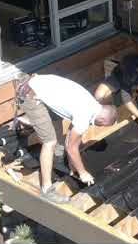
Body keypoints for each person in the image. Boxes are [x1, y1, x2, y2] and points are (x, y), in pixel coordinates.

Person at [15, 73, 118, 204]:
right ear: (103, 120)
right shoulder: (84, 116)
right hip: (29, 93)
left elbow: (71, 138)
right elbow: (71, 147)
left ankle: (29, 122)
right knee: (50, 142)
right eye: (102, 125)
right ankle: (47, 190)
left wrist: (72, 164)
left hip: (37, 82)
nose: (99, 127)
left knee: (54, 132)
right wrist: (82, 172)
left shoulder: (92, 104)